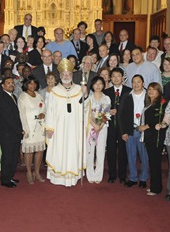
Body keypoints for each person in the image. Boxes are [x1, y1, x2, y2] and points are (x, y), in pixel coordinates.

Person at [45, 58, 86, 187]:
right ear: (60, 76)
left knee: (73, 149)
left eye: (68, 74)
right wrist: (49, 128)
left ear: (72, 75)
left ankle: (72, 176)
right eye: (64, 74)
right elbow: (50, 110)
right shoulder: (54, 91)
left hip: (75, 128)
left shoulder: (80, 89)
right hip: (59, 128)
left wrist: (85, 96)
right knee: (59, 149)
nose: (66, 76)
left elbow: (85, 108)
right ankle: (59, 178)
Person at [119, 74, 149, 188]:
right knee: (130, 155)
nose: (136, 84)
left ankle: (143, 178)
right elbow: (121, 115)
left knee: (144, 156)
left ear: (143, 83)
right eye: (134, 82)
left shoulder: (148, 96)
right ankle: (132, 177)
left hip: (143, 130)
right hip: (130, 130)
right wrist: (123, 132)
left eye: (138, 82)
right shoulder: (127, 96)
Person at [139, 82, 167, 196]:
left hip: (156, 137)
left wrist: (144, 127)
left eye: (154, 89)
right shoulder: (150, 103)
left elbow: (159, 119)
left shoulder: (161, 104)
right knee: (153, 162)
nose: (151, 91)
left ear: (159, 91)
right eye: (149, 89)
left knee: (155, 163)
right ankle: (155, 185)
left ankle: (156, 188)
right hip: (150, 137)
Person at [104, 68, 131, 184]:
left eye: (118, 76)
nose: (116, 78)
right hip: (110, 126)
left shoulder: (129, 91)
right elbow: (101, 109)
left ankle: (122, 175)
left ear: (123, 78)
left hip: (124, 127)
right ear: (110, 78)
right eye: (113, 76)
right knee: (111, 151)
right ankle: (112, 174)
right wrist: (108, 111)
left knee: (123, 151)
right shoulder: (106, 92)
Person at [18, 76, 46, 184]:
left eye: (34, 83)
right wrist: (25, 129)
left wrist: (43, 113)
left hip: (39, 127)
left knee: (39, 150)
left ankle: (37, 172)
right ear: (26, 84)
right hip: (29, 127)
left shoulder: (39, 96)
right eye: (30, 83)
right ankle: (29, 172)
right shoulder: (22, 97)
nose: (32, 85)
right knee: (29, 151)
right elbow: (22, 114)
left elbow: (44, 108)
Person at [0, 77, 24, 188]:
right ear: (2, 85)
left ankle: (10, 177)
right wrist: (19, 130)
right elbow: (8, 118)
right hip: (7, 133)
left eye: (12, 83)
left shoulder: (13, 96)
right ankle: (5, 179)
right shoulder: (2, 98)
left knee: (13, 157)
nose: (11, 84)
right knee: (7, 157)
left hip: (14, 134)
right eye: (8, 83)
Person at [85, 76, 111, 183]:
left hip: (102, 128)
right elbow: (85, 113)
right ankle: (90, 175)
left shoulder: (106, 98)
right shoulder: (88, 98)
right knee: (90, 151)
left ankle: (98, 175)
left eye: (100, 83)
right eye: (96, 84)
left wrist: (99, 126)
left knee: (100, 151)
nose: (98, 86)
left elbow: (107, 113)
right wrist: (94, 125)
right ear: (92, 85)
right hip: (91, 127)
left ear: (103, 85)